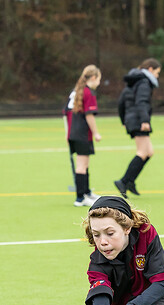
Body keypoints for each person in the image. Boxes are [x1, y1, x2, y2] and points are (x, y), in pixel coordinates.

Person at [114, 58, 161, 199]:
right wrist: (145, 120)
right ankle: (123, 181)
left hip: (132, 119)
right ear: (151, 69)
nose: (158, 76)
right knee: (142, 152)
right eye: (158, 73)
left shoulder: (133, 81)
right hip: (139, 120)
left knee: (149, 152)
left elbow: (121, 102)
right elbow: (142, 102)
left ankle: (130, 181)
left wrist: (124, 120)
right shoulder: (143, 82)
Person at [64, 64, 102, 207]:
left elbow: (65, 114)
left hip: (73, 133)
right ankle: (80, 198)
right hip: (82, 134)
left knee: (84, 164)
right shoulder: (88, 93)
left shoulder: (75, 92)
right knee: (81, 166)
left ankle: (86, 192)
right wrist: (96, 133)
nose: (98, 83)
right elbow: (89, 116)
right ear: (93, 78)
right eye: (99, 79)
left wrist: (67, 134)